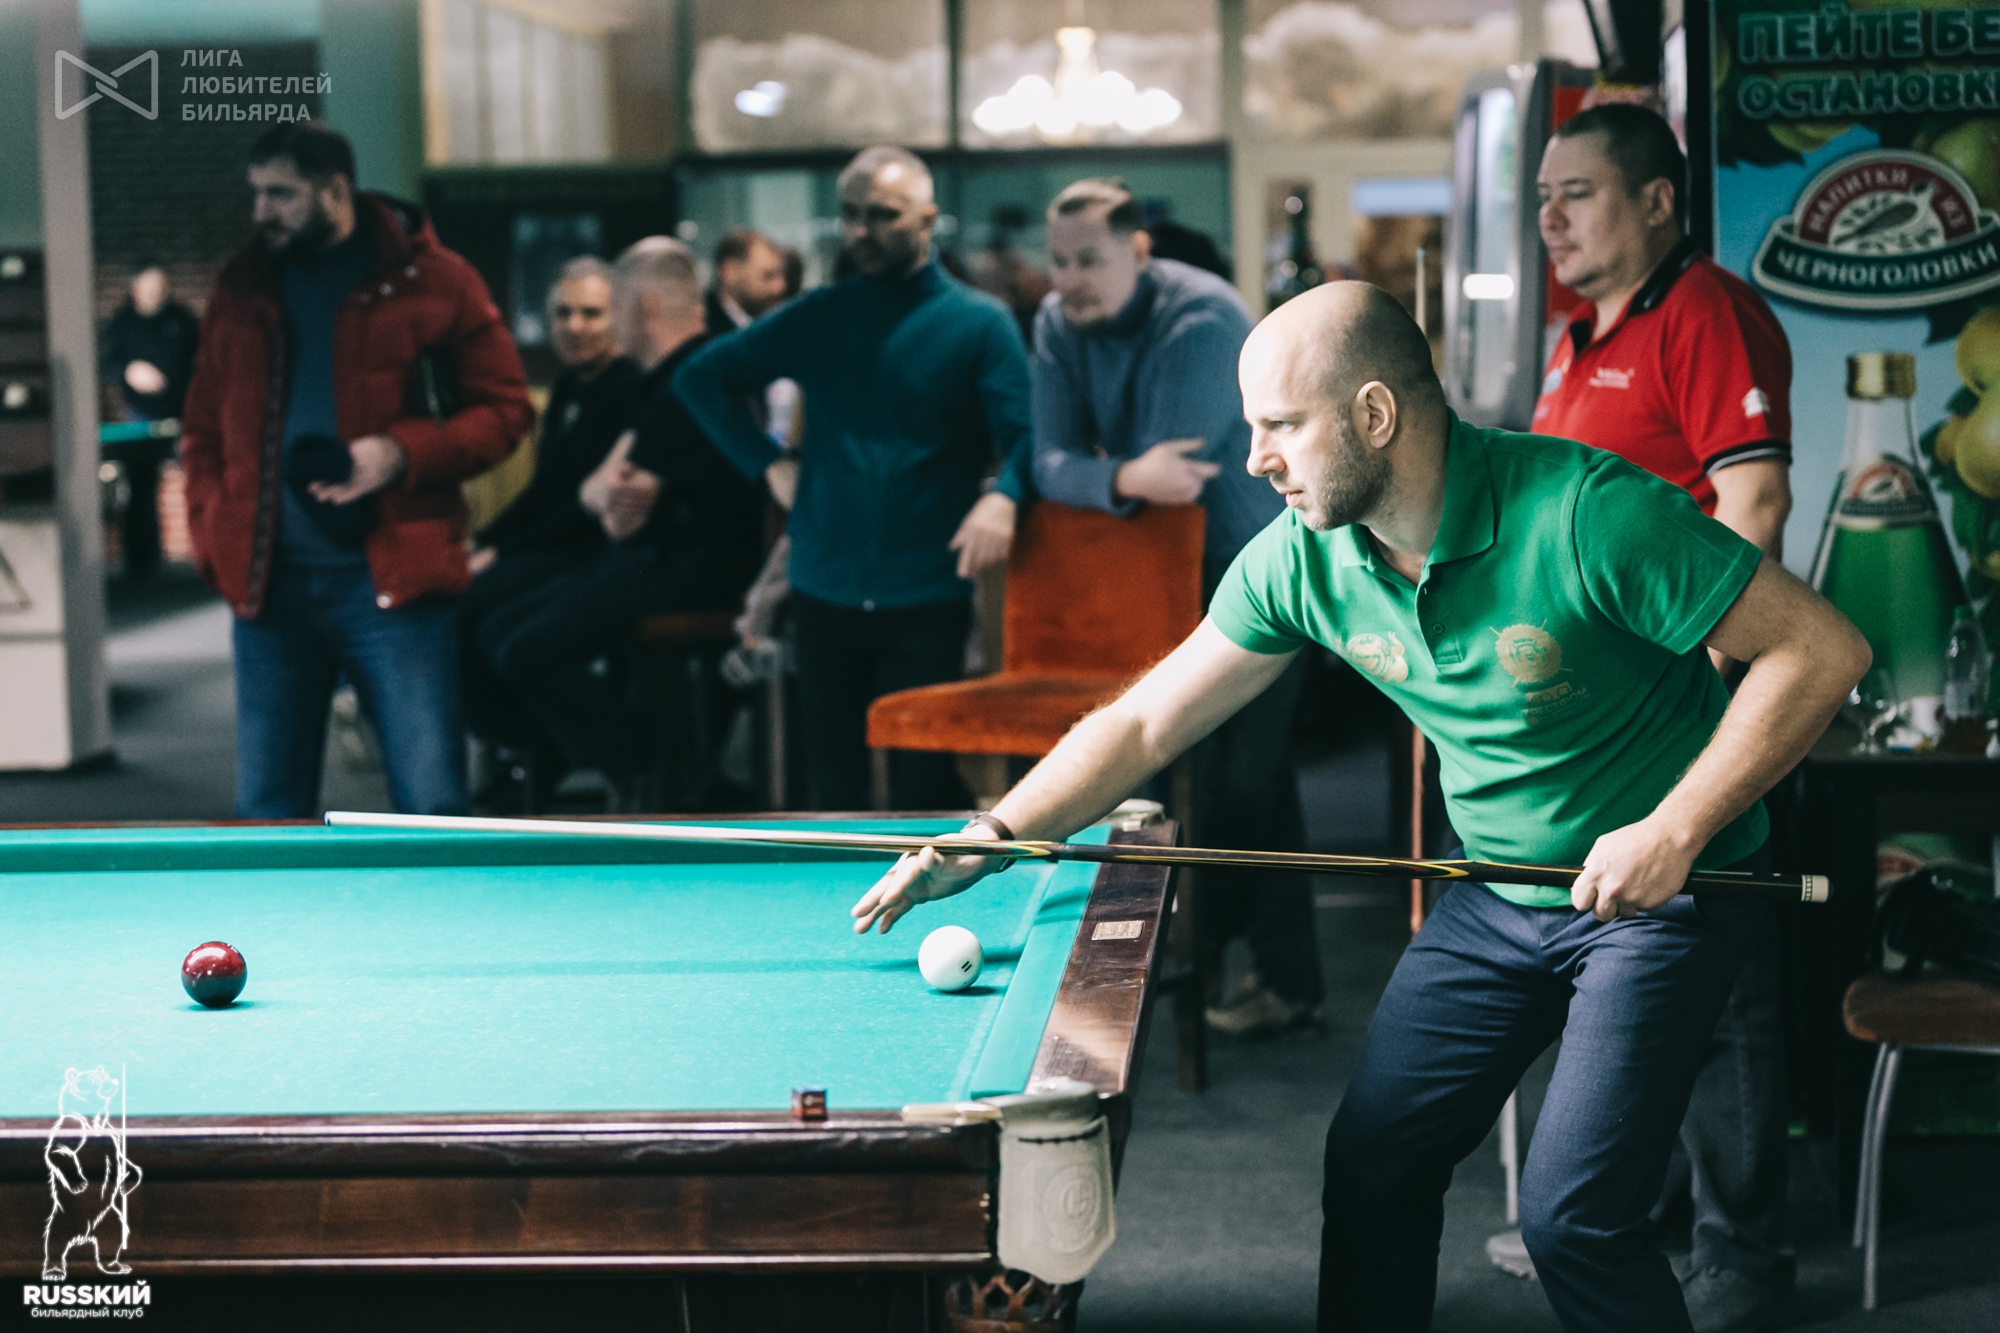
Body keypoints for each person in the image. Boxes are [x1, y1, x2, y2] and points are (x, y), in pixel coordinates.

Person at [849, 282, 1870, 1333]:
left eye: (1281, 426)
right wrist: (996, 834)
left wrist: (1674, 826)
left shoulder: (1587, 511)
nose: (1255, 459)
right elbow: (1146, 722)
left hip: (1664, 897)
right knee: (1375, 1162)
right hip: (1498, 888)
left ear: (1375, 414)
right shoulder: (1304, 555)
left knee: (1572, 1217)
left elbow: (1820, 649)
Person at [1533, 102, 1796, 1333]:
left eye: (1576, 193)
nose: (1550, 218)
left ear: (1653, 201)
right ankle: (1623, 1219)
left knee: (1720, 988)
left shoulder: (1701, 310)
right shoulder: (1580, 336)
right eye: (1543, 196)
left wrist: (1698, 680)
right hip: (1610, 723)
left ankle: (1745, 1254)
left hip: (1693, 714)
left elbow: (1753, 505)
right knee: (1634, 972)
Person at [1031, 177, 1322, 1036]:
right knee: (1209, 781)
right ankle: (1244, 972)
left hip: (1259, 569)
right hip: (1156, 578)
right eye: (1058, 262)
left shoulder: (1203, 316)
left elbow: (1177, 473)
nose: (1069, 281)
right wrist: (1122, 473)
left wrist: (1098, 473)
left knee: (1243, 784)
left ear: (1139, 250)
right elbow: (1049, 460)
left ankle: (1221, 966)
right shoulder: (1055, 321)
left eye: (1090, 260)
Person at [180, 121, 531, 818]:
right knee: (267, 810)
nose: (261, 212)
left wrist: (401, 453)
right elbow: (202, 429)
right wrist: (211, 535)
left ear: (335, 191)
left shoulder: (435, 281)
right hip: (269, 589)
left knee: (430, 802)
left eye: (280, 194)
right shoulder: (243, 286)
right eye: (256, 194)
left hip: (393, 585)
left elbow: (505, 410)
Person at [674, 145, 1033, 811]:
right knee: (834, 790)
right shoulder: (823, 314)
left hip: (927, 589)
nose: (861, 230)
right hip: (823, 585)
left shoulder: (980, 322)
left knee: (922, 788)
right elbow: (699, 378)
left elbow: (1029, 435)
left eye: (883, 215)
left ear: (927, 219)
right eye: (850, 214)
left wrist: (1005, 497)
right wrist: (766, 462)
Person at [475, 238, 766, 808]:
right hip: (657, 559)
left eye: (613, 305)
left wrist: (618, 495)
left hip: (690, 570)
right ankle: (635, 766)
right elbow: (606, 493)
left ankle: (653, 768)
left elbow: (618, 505)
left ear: (643, 308)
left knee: (524, 647)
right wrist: (616, 495)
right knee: (502, 629)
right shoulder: (679, 375)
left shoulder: (688, 378)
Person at [458, 256, 642, 808]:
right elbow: (546, 492)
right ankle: (533, 753)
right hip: (552, 547)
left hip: (593, 553)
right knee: (461, 606)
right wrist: (483, 543)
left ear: (618, 318)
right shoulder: (568, 386)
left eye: (591, 313)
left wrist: (499, 553)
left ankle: (558, 754)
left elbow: (584, 512)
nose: (575, 326)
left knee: (485, 618)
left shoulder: (628, 388)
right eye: (564, 313)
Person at [99, 264, 200, 579]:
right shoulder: (122, 322)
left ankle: (209, 555)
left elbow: (204, 361)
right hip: (140, 416)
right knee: (140, 487)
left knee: (200, 479)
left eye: (160, 288)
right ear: (135, 289)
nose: (155, 295)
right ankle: (142, 566)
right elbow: (105, 363)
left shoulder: (182, 320)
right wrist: (130, 370)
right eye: (148, 288)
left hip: (184, 414)